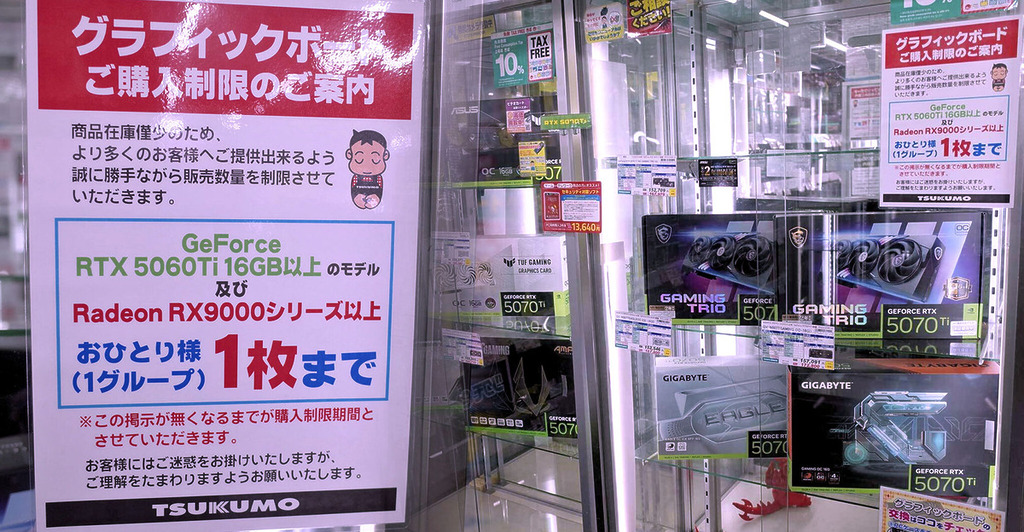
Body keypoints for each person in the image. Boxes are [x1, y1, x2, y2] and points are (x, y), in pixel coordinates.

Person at [347, 129, 389, 209]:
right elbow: (353, 190)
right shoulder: (356, 178)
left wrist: (376, 198)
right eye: (359, 159)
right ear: (349, 154)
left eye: (375, 159)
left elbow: (379, 191)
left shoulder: (378, 179)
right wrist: (357, 198)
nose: (367, 167)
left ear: (385, 155)